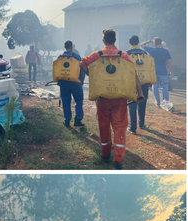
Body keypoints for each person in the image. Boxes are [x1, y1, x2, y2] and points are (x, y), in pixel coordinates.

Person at [80, 29, 144, 170]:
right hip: (119, 99)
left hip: (103, 98)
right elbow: (134, 74)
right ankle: (118, 161)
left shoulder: (97, 55)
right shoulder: (124, 55)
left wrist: (94, 76)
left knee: (104, 126)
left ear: (103, 41)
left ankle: (105, 155)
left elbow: (82, 63)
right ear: (115, 40)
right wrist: (139, 93)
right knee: (120, 128)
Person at [127, 35, 151, 134]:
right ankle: (141, 123)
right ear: (138, 42)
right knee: (143, 102)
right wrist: (150, 81)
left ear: (129, 43)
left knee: (132, 103)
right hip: (144, 82)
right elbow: (149, 68)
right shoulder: (145, 53)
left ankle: (133, 127)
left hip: (130, 82)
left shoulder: (126, 54)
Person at [140, 37, 173, 110]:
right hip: (163, 71)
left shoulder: (152, 50)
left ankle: (157, 102)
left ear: (154, 43)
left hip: (154, 71)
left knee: (155, 87)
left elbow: (141, 44)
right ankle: (165, 101)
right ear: (161, 43)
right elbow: (168, 62)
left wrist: (150, 41)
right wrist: (171, 71)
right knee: (164, 87)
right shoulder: (165, 51)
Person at [59, 40, 85, 128]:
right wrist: (82, 80)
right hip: (75, 82)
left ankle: (67, 120)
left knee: (66, 101)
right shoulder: (76, 56)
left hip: (64, 82)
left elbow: (57, 70)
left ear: (64, 47)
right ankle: (78, 120)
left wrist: (59, 81)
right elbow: (81, 69)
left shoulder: (60, 57)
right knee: (79, 100)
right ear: (72, 47)